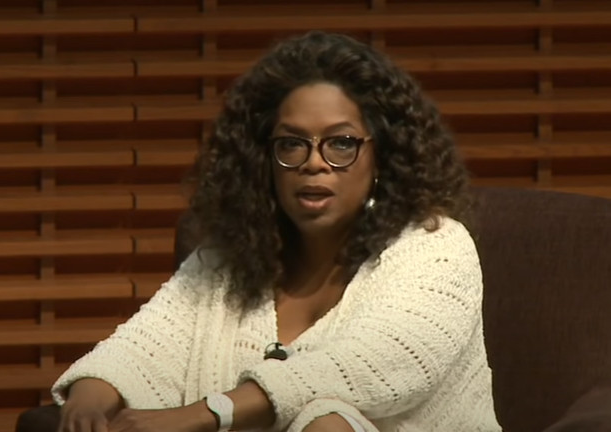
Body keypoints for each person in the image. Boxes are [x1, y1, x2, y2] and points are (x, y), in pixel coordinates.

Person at [51, 31, 501, 432]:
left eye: (341, 143)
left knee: (326, 420)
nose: (314, 162)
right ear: (263, 159)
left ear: (382, 156)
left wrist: (204, 414)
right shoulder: (225, 261)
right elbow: (143, 348)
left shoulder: (436, 249)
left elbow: (372, 362)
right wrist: (89, 402)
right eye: (292, 143)